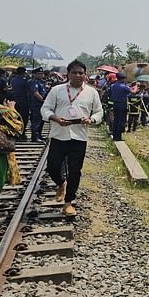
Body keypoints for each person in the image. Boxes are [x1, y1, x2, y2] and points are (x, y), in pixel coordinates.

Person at [41, 59, 103, 216]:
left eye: (80, 73)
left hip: (79, 137)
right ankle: (61, 183)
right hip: (58, 135)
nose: (77, 75)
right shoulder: (57, 90)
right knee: (52, 167)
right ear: (68, 74)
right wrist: (55, 118)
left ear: (85, 75)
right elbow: (45, 109)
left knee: (75, 171)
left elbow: (99, 112)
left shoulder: (91, 92)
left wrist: (91, 119)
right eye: (74, 72)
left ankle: (68, 203)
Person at [10, 67, 30, 140]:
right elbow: (28, 91)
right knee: (24, 118)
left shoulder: (13, 80)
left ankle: (15, 132)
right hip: (23, 101)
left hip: (14, 101)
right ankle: (22, 133)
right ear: (24, 72)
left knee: (15, 117)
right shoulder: (25, 81)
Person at [110, 72, 131, 141]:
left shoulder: (113, 86)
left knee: (116, 120)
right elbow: (132, 91)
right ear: (122, 79)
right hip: (122, 104)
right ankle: (118, 137)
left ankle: (114, 135)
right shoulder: (123, 87)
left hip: (115, 104)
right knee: (121, 121)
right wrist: (136, 86)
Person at [29, 68, 48, 142]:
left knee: (41, 120)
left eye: (41, 73)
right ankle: (35, 137)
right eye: (38, 73)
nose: (40, 75)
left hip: (41, 104)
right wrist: (43, 100)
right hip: (36, 104)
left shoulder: (42, 82)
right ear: (34, 74)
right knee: (36, 121)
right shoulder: (33, 82)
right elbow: (35, 93)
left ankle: (39, 134)